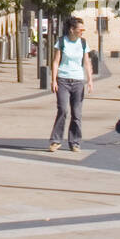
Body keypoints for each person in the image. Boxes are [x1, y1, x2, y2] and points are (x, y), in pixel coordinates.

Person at [48, 17, 93, 152]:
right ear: (72, 30)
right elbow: (56, 61)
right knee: (63, 109)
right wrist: (53, 80)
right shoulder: (62, 42)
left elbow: (87, 62)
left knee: (77, 113)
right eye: (80, 30)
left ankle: (74, 142)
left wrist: (90, 80)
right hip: (63, 79)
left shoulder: (83, 43)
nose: (82, 32)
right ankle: (56, 140)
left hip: (78, 80)